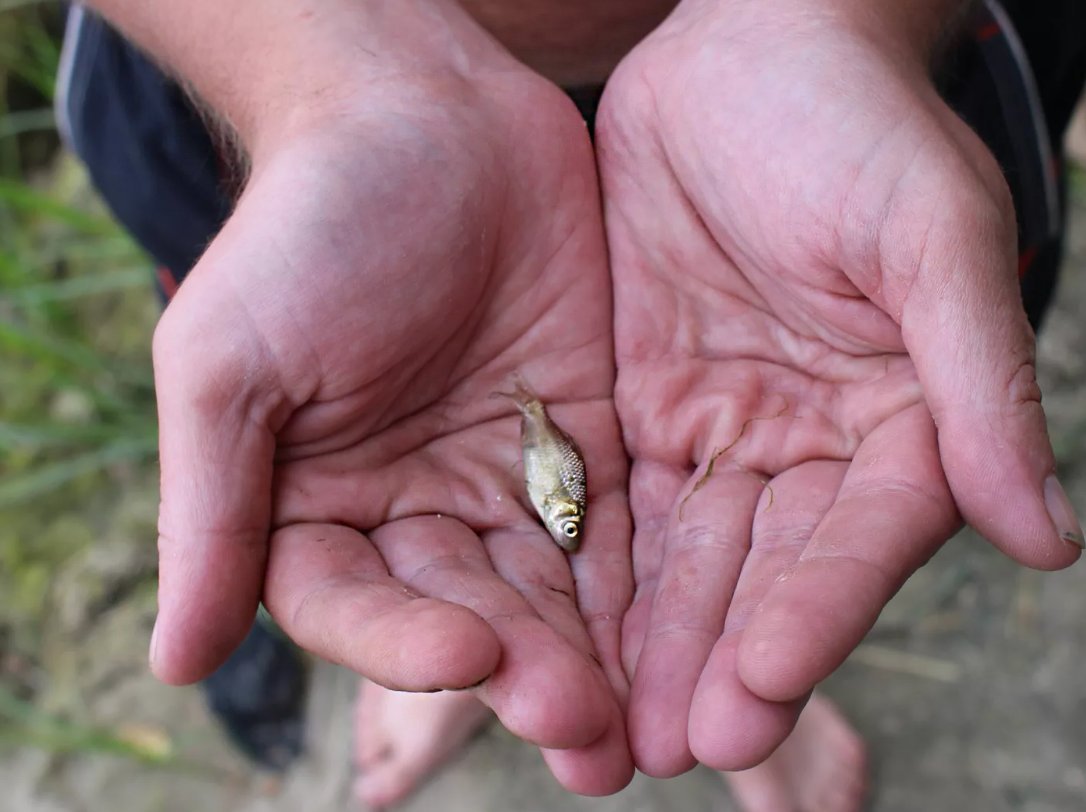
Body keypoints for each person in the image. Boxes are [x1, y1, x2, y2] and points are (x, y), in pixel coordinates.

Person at [56, 0, 1086, 809]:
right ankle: (465, 658)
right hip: (274, 82)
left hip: (851, 81)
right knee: (371, 448)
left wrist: (834, 18)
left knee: (834, 467)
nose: (568, 514)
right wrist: (318, 79)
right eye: (566, 516)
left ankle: (776, 684)